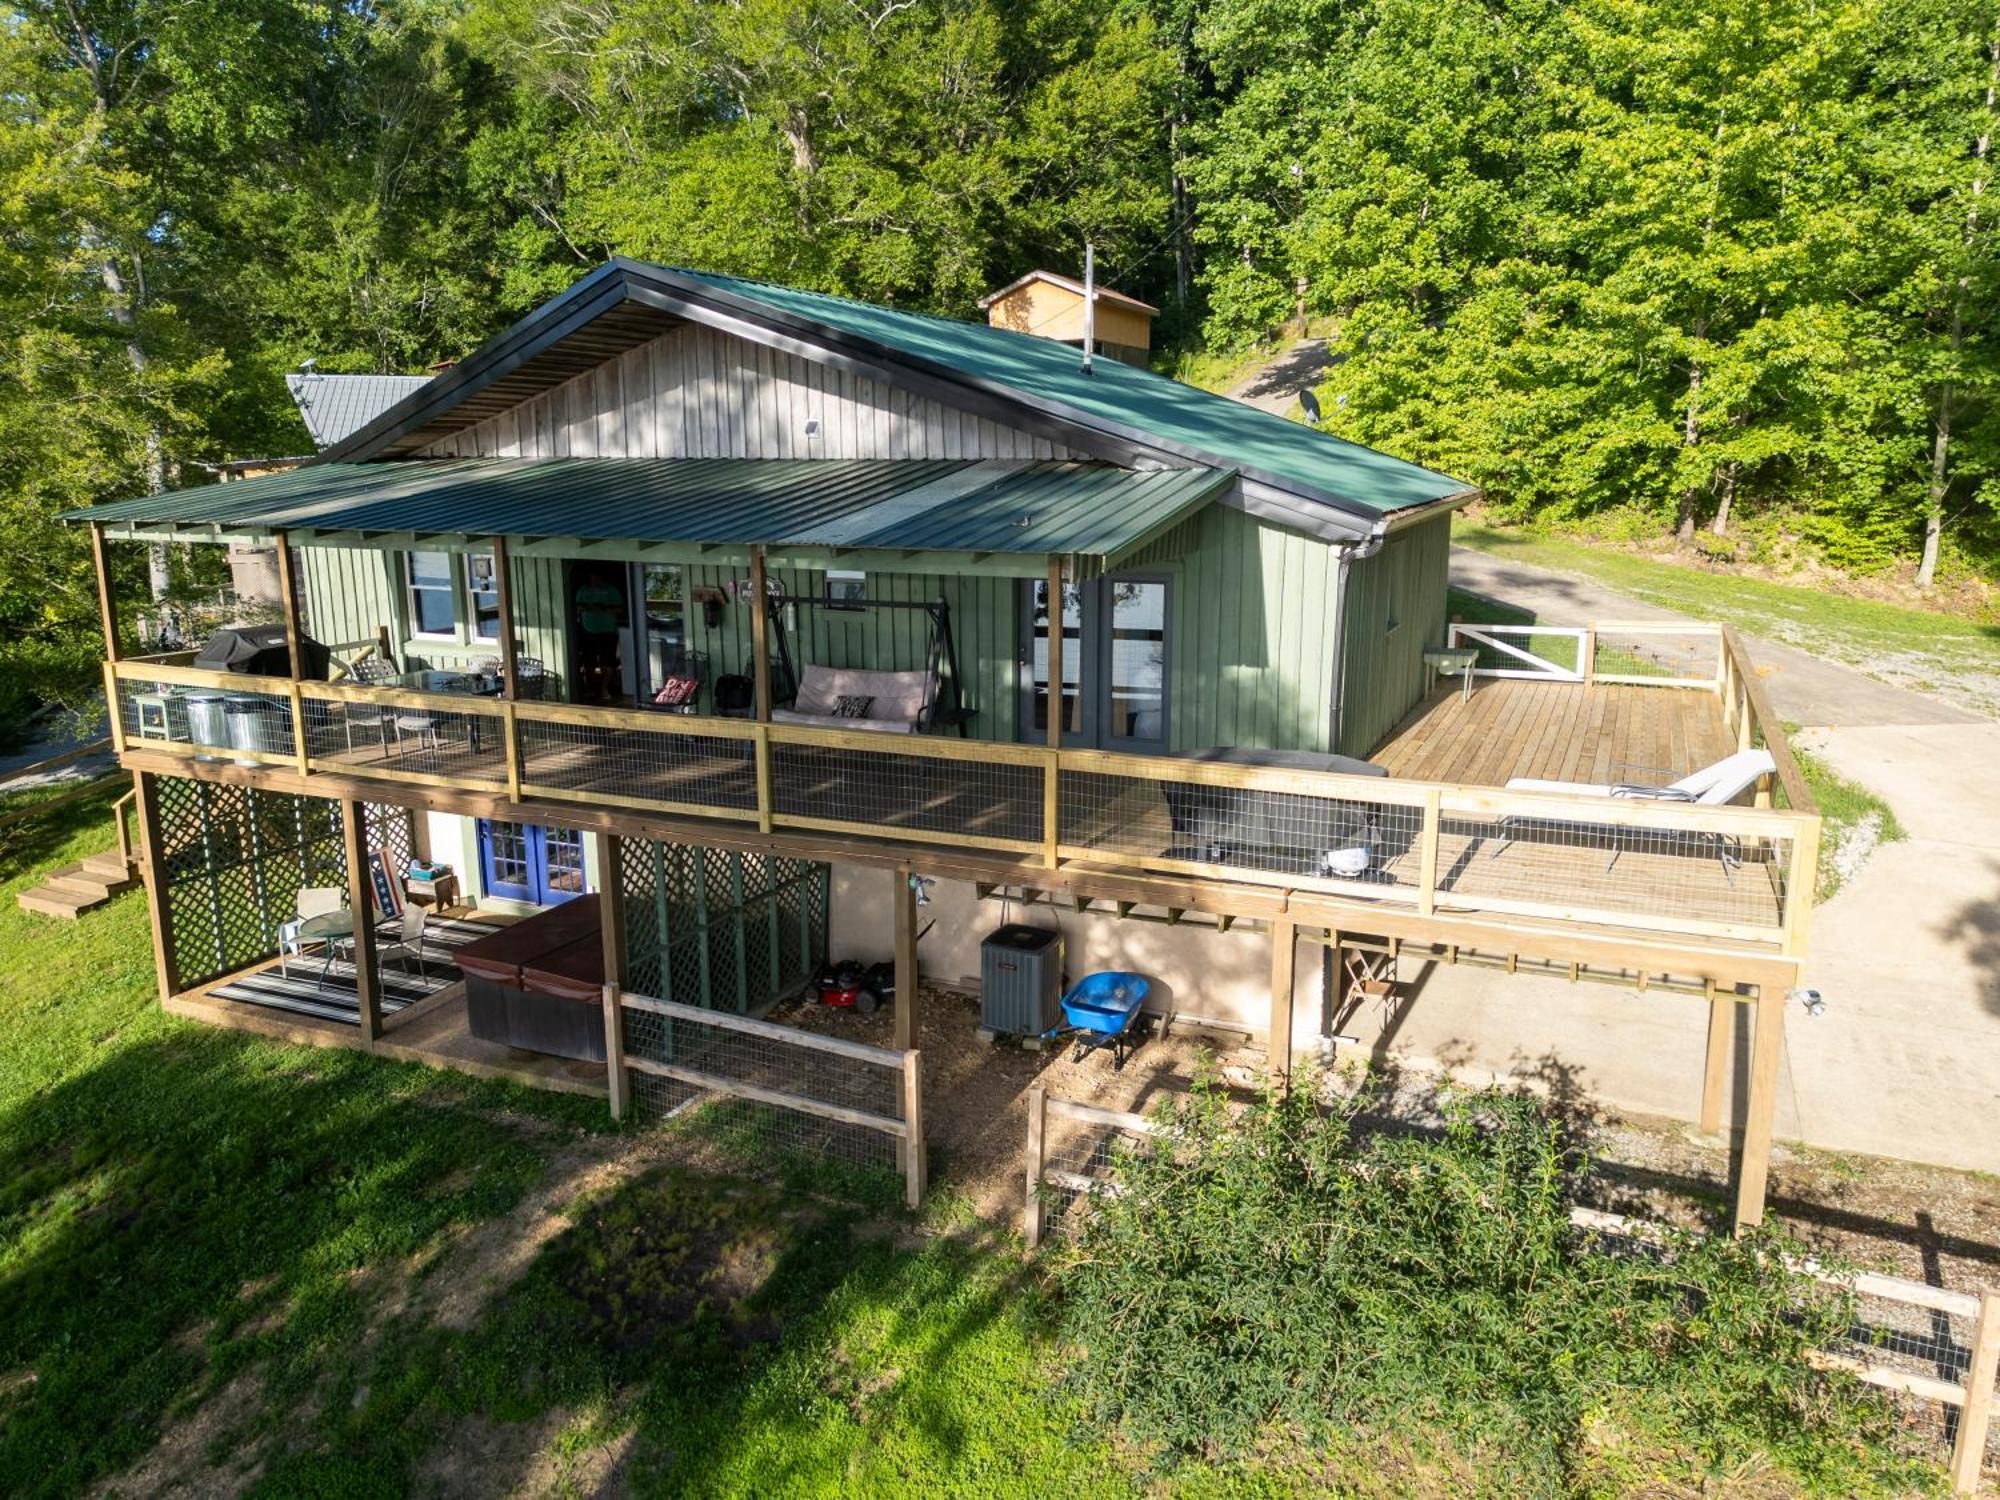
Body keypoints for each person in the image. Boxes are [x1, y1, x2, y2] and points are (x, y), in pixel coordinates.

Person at [573, 568, 626, 702]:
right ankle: (591, 690)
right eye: (592, 576)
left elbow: (619, 609)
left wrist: (603, 608)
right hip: (587, 630)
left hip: (608, 631)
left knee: (607, 662)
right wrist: (586, 608)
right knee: (589, 662)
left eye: (597, 576)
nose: (594, 578)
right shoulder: (583, 590)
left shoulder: (612, 590)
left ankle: (604, 689)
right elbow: (577, 608)